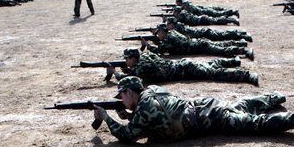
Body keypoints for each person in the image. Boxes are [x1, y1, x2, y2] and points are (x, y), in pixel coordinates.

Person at [91, 76, 294, 143]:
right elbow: (158, 115)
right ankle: (272, 97)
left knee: (254, 123)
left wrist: (107, 117)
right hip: (204, 106)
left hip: (212, 118)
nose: (120, 100)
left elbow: (127, 135)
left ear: (130, 92)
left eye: (121, 95)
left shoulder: (144, 110)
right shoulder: (152, 90)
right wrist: (130, 115)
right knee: (241, 106)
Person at [108, 48, 258, 86]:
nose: (125, 62)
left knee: (214, 73)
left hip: (185, 69)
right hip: (182, 64)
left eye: (127, 59)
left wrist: (115, 72)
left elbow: (130, 79)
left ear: (133, 58)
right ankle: (234, 60)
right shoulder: (145, 56)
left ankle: (246, 75)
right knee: (210, 65)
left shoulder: (140, 68)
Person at [144, 23, 254, 60]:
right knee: (221, 45)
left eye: (159, 32)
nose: (158, 35)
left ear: (163, 31)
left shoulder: (168, 39)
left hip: (199, 46)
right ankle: (241, 43)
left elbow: (160, 51)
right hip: (198, 43)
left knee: (221, 50)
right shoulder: (172, 33)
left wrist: (148, 45)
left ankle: (244, 51)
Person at [165, 16, 252, 42]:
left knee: (222, 36)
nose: (167, 26)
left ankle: (242, 35)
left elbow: (172, 34)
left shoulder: (177, 28)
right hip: (203, 33)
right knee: (222, 35)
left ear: (172, 24)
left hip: (204, 33)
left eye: (168, 24)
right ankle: (241, 34)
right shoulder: (177, 26)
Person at [172, 5, 239, 26]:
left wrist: (166, 19)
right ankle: (231, 17)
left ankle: (232, 19)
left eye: (174, 12)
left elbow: (178, 21)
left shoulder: (182, 15)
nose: (173, 13)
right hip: (202, 19)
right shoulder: (183, 12)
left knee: (217, 20)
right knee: (216, 19)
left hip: (202, 20)